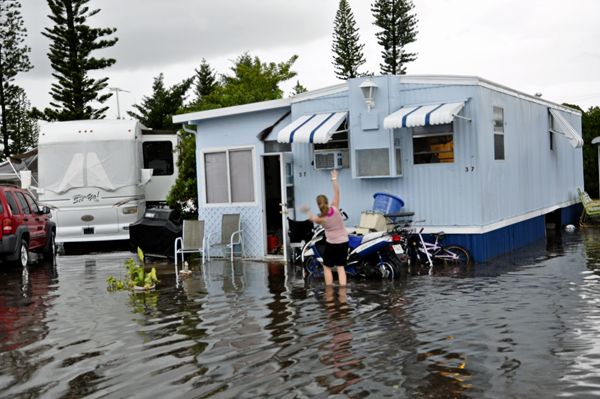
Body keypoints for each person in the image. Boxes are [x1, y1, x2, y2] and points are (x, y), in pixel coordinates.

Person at [300, 169, 349, 286]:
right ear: (327, 202)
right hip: (343, 242)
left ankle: (329, 294)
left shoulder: (321, 219)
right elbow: (337, 192)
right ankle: (343, 295)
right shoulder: (335, 209)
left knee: (327, 267)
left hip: (331, 244)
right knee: (340, 268)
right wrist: (334, 178)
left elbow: (311, 218)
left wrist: (307, 210)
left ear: (318, 205)